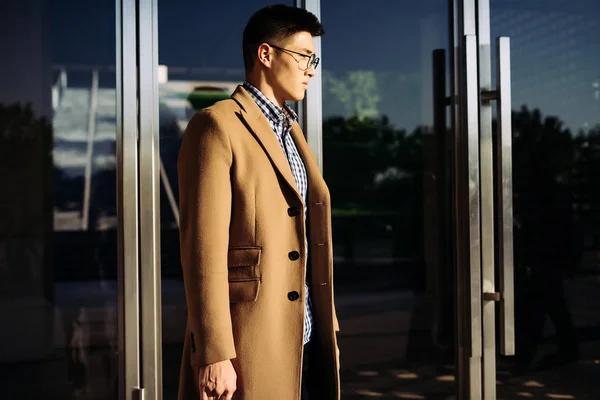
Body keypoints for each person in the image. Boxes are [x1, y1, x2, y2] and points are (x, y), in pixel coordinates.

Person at [176, 5, 340, 400]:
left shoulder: (292, 131)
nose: (311, 70)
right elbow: (203, 250)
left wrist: (327, 322)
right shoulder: (216, 125)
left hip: (305, 336)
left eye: (313, 60)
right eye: (304, 57)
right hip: (249, 340)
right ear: (266, 55)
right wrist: (213, 353)